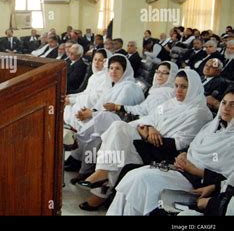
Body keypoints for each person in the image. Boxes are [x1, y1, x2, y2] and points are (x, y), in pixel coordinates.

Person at [78, 70, 212, 210]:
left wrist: (146, 134)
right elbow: (148, 119)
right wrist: (150, 127)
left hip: (164, 153)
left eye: (184, 87)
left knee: (120, 152)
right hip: (148, 143)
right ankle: (103, 173)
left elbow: (179, 144)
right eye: (176, 86)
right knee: (118, 127)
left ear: (193, 88)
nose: (178, 90)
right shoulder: (170, 103)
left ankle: (102, 187)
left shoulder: (199, 112)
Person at [108, 88, 234, 215]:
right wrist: (184, 154)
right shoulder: (212, 128)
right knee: (132, 176)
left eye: (232, 104)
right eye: (224, 103)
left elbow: (227, 180)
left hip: (196, 181)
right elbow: (193, 148)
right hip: (181, 169)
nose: (226, 108)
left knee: (141, 180)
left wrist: (194, 170)